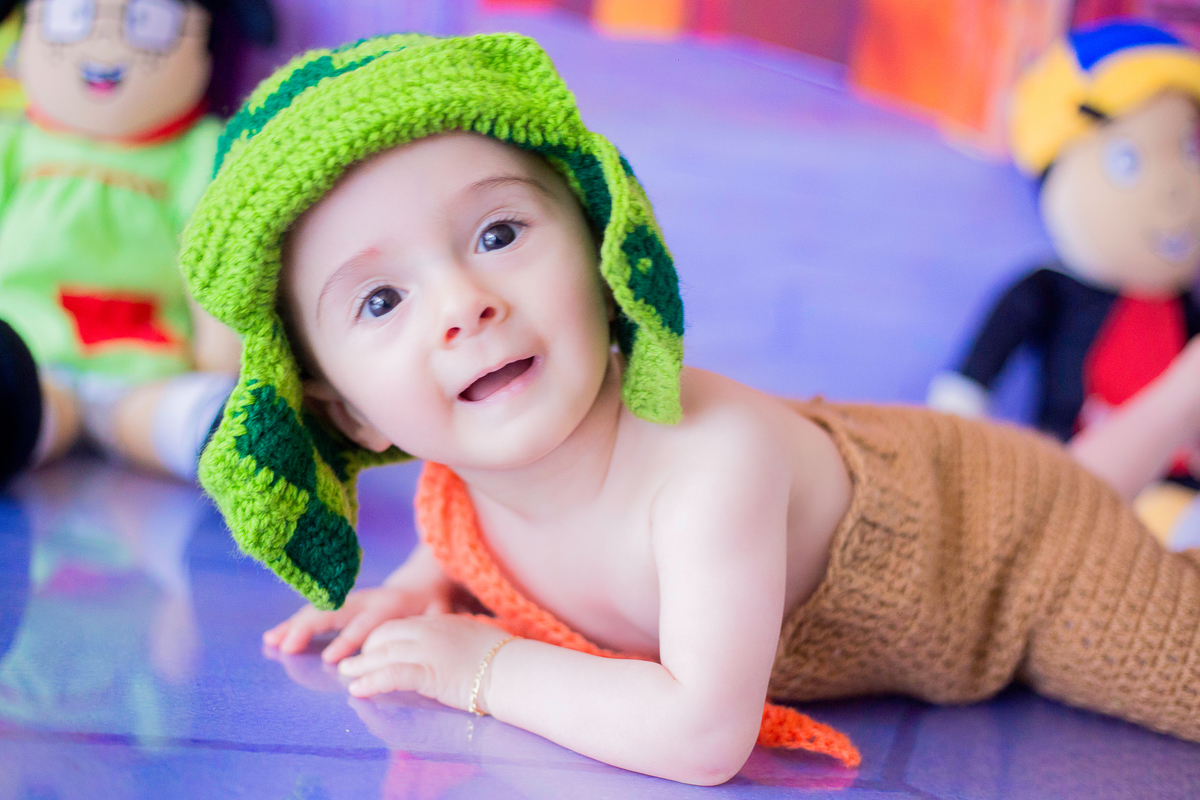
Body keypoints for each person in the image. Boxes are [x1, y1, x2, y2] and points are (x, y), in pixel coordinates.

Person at [180, 33, 1200, 785]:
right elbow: (464, 537)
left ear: (604, 246)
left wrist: (482, 664)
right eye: (380, 301)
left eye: (497, 234)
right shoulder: (468, 466)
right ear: (348, 415)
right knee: (1101, 472)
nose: (463, 304)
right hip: (958, 474)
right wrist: (413, 591)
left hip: (1022, 551)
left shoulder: (709, 467)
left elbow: (704, 732)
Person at [0, 0, 273, 485]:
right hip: (27, 359)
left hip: (148, 372)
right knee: (20, 408)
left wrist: (220, 369)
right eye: (72, 17)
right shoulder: (14, 145)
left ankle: (222, 429)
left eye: (148, 22)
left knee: (182, 416)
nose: (104, 46)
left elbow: (218, 259)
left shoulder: (201, 154)